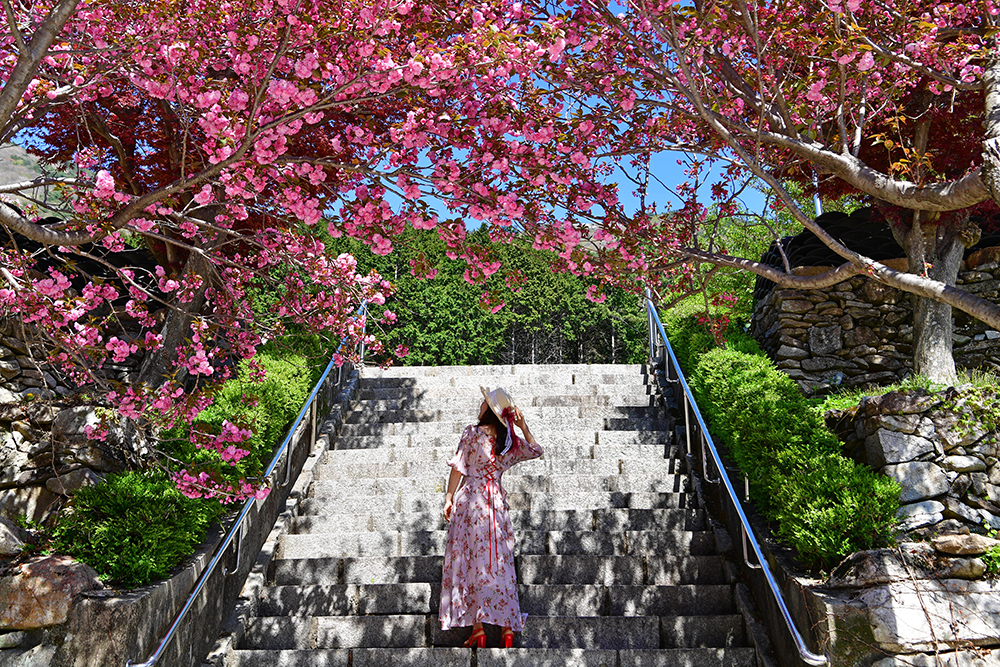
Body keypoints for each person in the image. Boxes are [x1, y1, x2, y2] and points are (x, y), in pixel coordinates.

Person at [439, 386, 543, 649]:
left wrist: (449, 498)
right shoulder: (509, 442)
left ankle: (478, 629)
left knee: (471, 561)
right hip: (495, 503)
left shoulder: (472, 433)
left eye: (485, 403)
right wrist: (522, 426)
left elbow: (459, 467)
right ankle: (507, 628)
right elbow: (536, 449)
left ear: (491, 412)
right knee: (498, 561)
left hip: (472, 502)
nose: (481, 404)